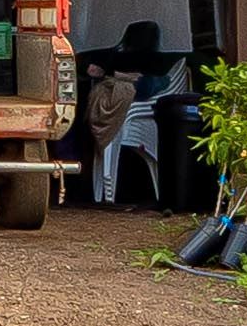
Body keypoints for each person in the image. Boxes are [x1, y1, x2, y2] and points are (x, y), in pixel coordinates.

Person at [78, 17, 189, 209]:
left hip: (140, 104)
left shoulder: (145, 62)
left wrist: (107, 73)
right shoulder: (125, 57)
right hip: (137, 99)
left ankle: (104, 194)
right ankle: (103, 194)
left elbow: (148, 87)